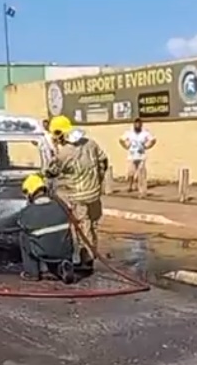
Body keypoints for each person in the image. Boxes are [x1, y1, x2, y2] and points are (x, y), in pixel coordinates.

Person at [44, 115, 109, 270]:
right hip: (94, 194)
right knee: (92, 226)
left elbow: (51, 172)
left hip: (78, 196)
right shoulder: (91, 143)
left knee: (82, 228)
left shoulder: (65, 153)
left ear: (60, 133)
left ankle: (86, 260)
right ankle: (90, 255)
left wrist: (54, 153)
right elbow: (104, 160)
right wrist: (98, 178)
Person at [16, 174, 76, 284]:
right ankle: (63, 265)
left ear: (30, 193)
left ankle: (32, 273)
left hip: (43, 252)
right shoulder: (61, 206)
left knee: (23, 236)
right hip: (65, 251)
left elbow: (21, 224)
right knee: (58, 234)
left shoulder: (28, 212)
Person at [118, 118, 156, 197]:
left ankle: (141, 189)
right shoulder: (129, 133)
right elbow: (121, 140)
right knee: (130, 173)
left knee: (141, 174)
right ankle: (130, 186)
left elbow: (153, 140)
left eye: (139, 124)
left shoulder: (145, 133)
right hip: (132, 156)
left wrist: (147, 146)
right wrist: (126, 146)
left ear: (141, 125)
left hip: (141, 156)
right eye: (136, 124)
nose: (137, 126)